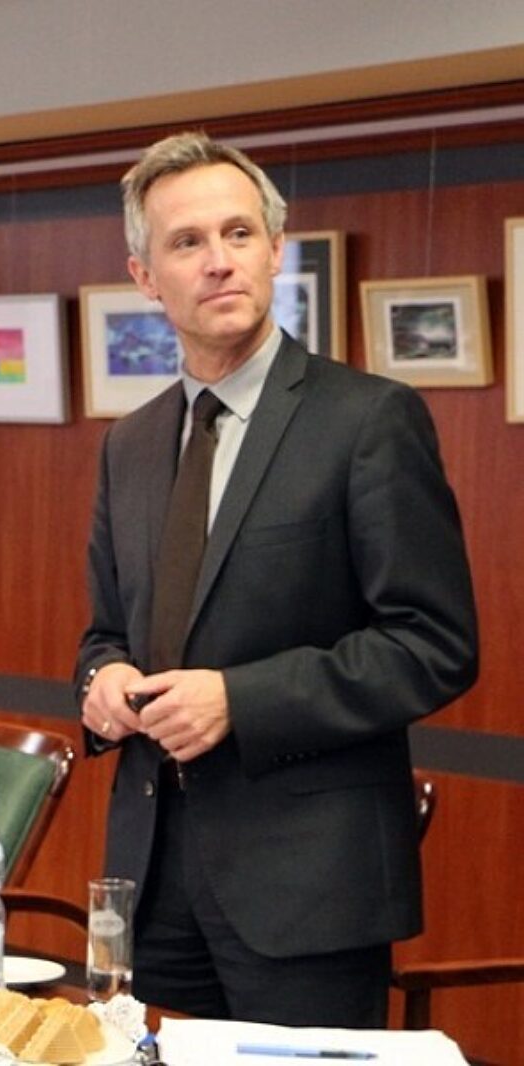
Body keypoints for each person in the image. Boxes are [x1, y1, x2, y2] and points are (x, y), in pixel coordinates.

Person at [75, 131, 479, 1026]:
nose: (219, 261)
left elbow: (433, 645)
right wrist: (100, 681)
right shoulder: (129, 444)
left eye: (239, 233)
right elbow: (106, 631)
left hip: (309, 887)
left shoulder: (367, 420)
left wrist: (240, 700)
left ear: (275, 249)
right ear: (145, 277)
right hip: (153, 873)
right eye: (188, 242)